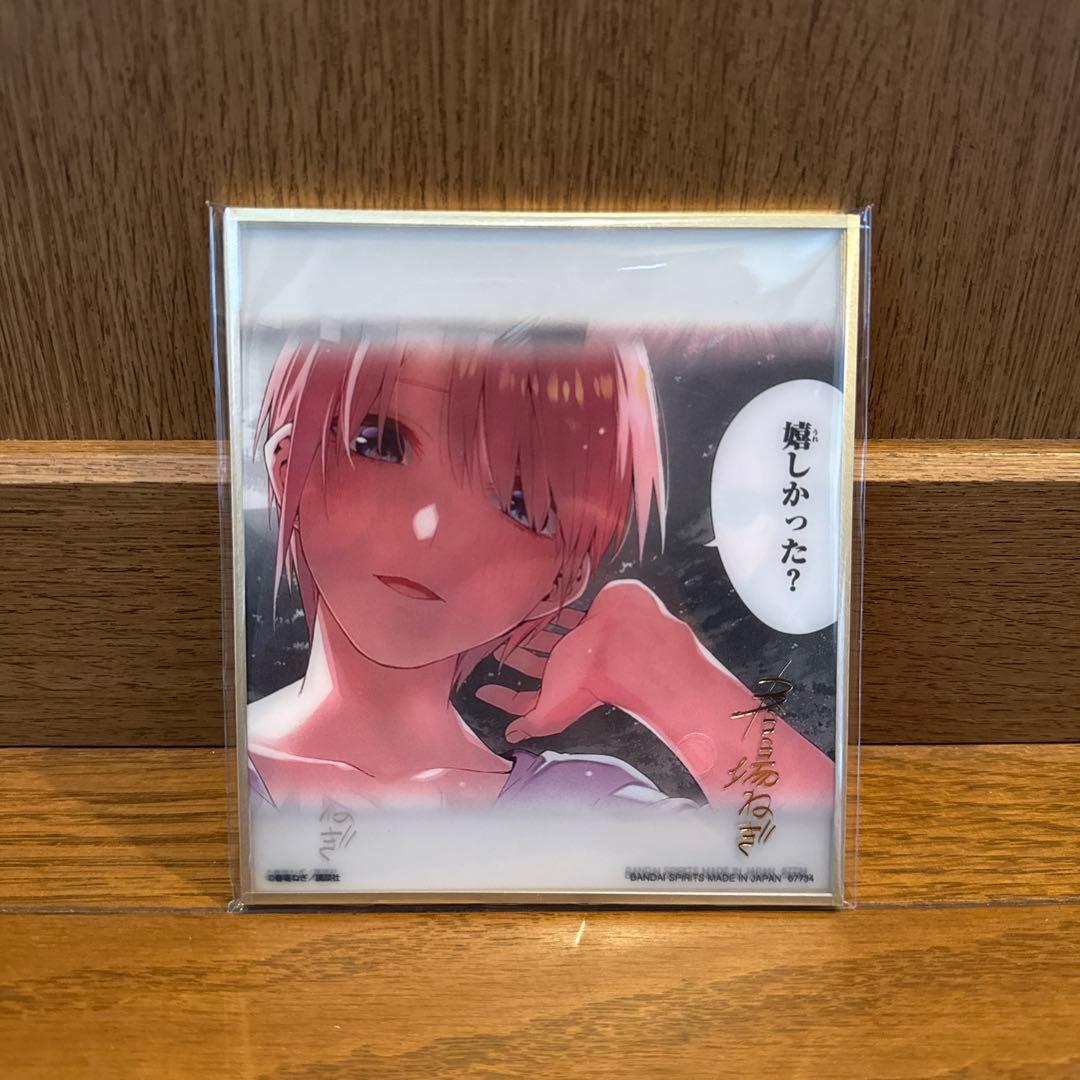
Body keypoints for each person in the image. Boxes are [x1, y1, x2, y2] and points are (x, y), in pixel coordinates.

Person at [246, 333, 833, 818]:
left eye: (520, 505)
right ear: (288, 464)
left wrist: (672, 675)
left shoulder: (588, 807)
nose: (430, 527)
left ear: (565, 578)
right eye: (381, 444)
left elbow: (806, 856)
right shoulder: (215, 773)